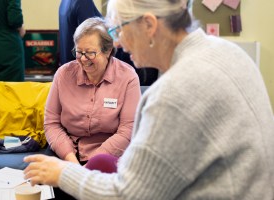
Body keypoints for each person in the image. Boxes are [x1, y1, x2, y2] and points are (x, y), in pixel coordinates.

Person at [24, 0, 274, 199]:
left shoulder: (170, 94)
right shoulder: (228, 52)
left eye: (119, 28)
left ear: (149, 25)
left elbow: (129, 194)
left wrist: (63, 173)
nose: (118, 41)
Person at [44, 17, 141, 166]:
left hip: (110, 156)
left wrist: (92, 164)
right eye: (78, 51)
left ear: (108, 51)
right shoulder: (63, 74)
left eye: (90, 53)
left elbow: (128, 130)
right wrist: (72, 162)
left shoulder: (128, 77)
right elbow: (51, 123)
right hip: (69, 155)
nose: (83, 59)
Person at [59, 0, 102, 65]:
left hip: (68, 66)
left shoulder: (64, 1)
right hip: (82, 67)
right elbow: (90, 38)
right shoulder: (83, 2)